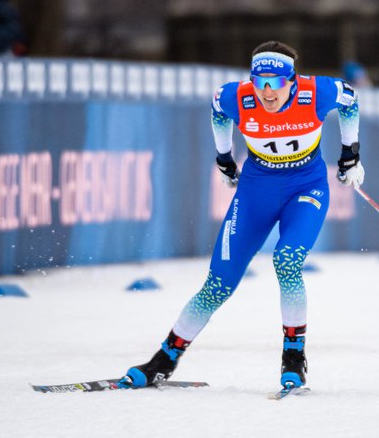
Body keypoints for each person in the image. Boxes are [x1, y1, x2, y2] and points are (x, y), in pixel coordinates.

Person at [118, 40, 364, 392]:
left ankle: (293, 358)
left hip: (304, 189)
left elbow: (350, 100)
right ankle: (164, 360)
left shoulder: (317, 92)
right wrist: (224, 158)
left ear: (291, 80)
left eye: (275, 83)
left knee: (287, 261)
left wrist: (350, 155)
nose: (267, 92)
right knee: (218, 283)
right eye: (259, 82)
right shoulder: (235, 96)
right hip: (255, 192)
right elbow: (218, 111)